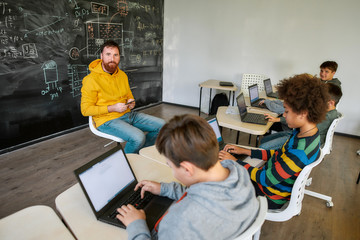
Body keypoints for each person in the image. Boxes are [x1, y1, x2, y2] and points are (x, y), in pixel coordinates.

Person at [115, 114, 259, 239]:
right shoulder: (238, 173)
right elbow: (208, 195)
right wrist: (164, 188)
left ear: (187, 168)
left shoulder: (180, 221)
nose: (172, 171)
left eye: (170, 166)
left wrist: (136, 225)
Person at [219, 74, 330, 209]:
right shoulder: (306, 134)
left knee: (220, 176)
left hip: (268, 195)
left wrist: (235, 162)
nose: (283, 115)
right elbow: (278, 154)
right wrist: (245, 151)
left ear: (303, 113)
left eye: (286, 111)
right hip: (269, 183)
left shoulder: (300, 151)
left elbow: (266, 179)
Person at [81, 40, 165, 154]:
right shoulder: (90, 80)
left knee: (164, 127)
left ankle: (138, 155)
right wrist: (112, 108)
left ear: (119, 56)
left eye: (115, 55)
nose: (112, 59)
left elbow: (129, 96)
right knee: (138, 137)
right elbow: (85, 110)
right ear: (101, 56)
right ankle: (127, 163)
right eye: (108, 54)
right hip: (107, 120)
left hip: (128, 114)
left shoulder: (122, 75)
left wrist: (131, 102)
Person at [259, 82, 343, 150]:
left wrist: (278, 119)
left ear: (331, 103)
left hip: (304, 140)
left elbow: (299, 121)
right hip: (299, 134)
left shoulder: (326, 116)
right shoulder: (327, 112)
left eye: (319, 98)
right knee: (264, 140)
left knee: (263, 147)